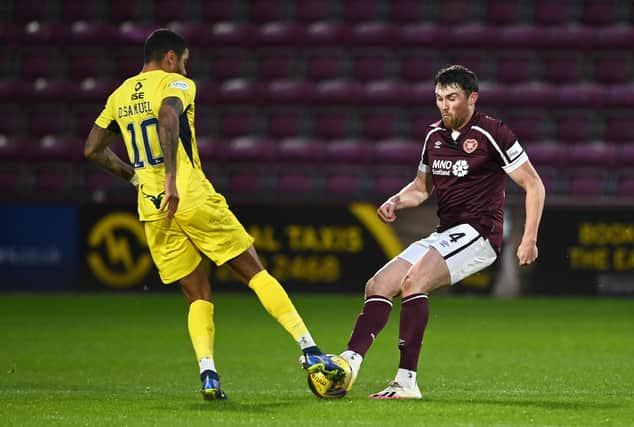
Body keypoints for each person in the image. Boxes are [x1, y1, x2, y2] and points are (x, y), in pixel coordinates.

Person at [83, 28, 343, 401]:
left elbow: (92, 148)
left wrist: (135, 177)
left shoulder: (119, 95)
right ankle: (310, 350)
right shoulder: (177, 84)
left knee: (197, 293)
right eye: (185, 62)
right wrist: (171, 177)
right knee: (254, 271)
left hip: (152, 207)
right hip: (188, 193)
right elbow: (167, 116)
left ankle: (208, 374)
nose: (186, 70)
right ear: (171, 57)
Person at [338, 65, 545, 399]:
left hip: (480, 233)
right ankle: (347, 365)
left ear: (472, 98)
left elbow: (533, 183)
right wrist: (396, 200)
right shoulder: (434, 136)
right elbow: (421, 188)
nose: (444, 105)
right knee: (378, 284)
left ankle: (406, 381)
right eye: (439, 98)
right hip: (447, 232)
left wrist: (529, 238)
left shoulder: (493, 133)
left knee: (414, 282)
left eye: (452, 98)